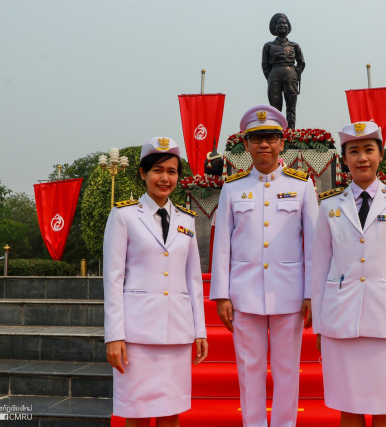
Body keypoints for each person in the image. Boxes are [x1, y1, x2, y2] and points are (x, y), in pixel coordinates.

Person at [311, 122, 386, 427]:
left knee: (385, 407)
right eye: (354, 151)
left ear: (380, 155)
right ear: (344, 159)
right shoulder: (329, 206)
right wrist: (320, 328)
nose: (362, 158)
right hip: (341, 322)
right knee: (348, 407)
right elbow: (320, 269)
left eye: (368, 150)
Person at [210, 104, 318, 427]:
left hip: (289, 295)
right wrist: (221, 294)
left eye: (271, 138)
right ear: (246, 145)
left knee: (288, 372)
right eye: (256, 139)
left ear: (282, 142)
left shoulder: (301, 186)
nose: (264, 145)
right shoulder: (232, 188)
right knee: (249, 371)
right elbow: (222, 246)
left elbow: (313, 246)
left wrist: (311, 293)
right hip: (244, 295)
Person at [103, 137, 208, 427]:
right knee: (136, 412)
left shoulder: (186, 219)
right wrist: (114, 335)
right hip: (136, 336)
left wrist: (200, 329)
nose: (165, 178)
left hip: (176, 332)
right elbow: (113, 278)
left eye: (172, 172)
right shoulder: (123, 215)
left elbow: (193, 279)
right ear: (143, 173)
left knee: (170, 411)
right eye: (158, 170)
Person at [262, 13, 305, 129]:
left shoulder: (294, 46)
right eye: (279, 23)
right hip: (274, 74)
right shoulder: (268, 46)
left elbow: (301, 63)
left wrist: (295, 74)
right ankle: (276, 130)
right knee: (275, 106)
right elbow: (265, 65)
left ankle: (290, 131)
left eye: (284, 23)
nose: (282, 25)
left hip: (290, 74)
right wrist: (270, 77)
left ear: (288, 26)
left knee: (291, 105)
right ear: (275, 27)